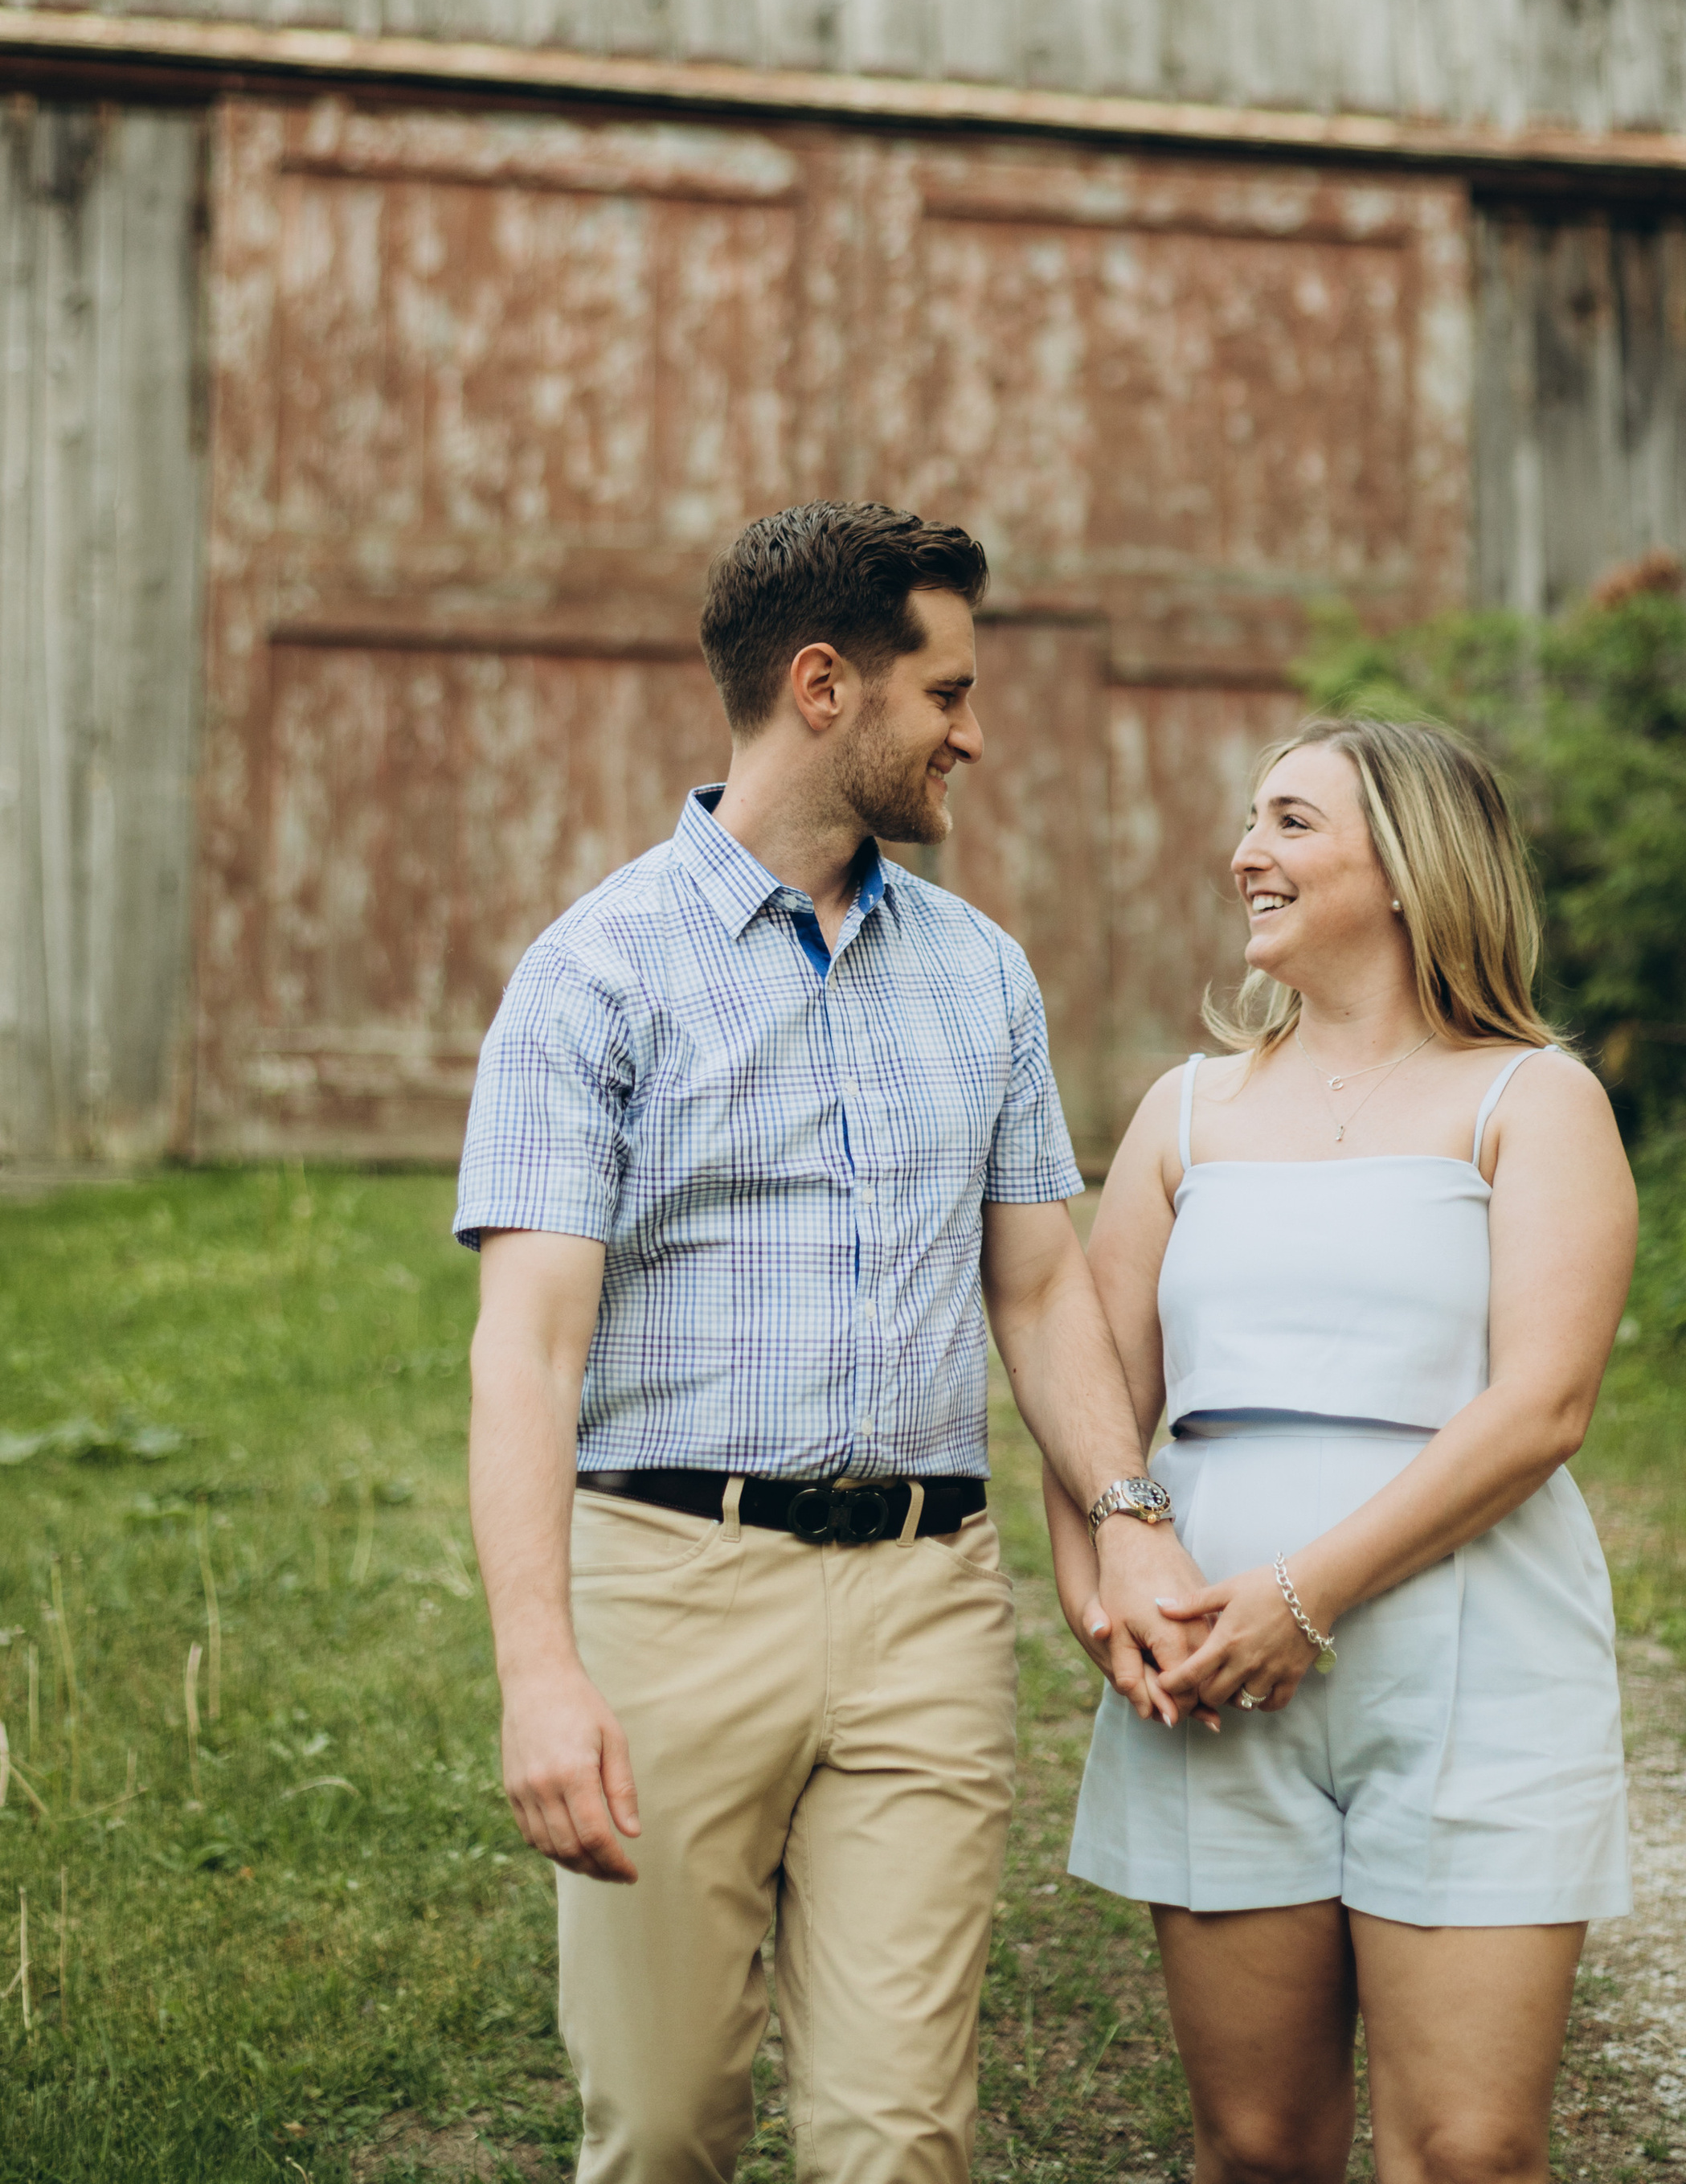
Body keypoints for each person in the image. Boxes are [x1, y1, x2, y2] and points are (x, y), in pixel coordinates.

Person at [455, 500, 1208, 2184]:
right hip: (670, 1590)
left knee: (897, 2141)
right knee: (662, 2130)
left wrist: (1131, 1522)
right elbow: (528, 1347)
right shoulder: (592, 979)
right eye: (942, 693)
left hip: (923, 1608)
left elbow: (1035, 1290)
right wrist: (538, 1670)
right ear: (821, 688)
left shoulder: (981, 978)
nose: (974, 731)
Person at [1050, 714, 1637, 2184]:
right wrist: (1102, 1593)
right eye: (1253, 820)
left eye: (1294, 822)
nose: (1248, 852)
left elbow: (1541, 1409)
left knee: (1471, 2148)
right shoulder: (1185, 1114)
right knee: (1255, 2146)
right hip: (1212, 1679)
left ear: (1410, 864)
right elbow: (1089, 1392)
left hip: (1476, 1662)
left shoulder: (1533, 1098)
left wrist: (1304, 1596)